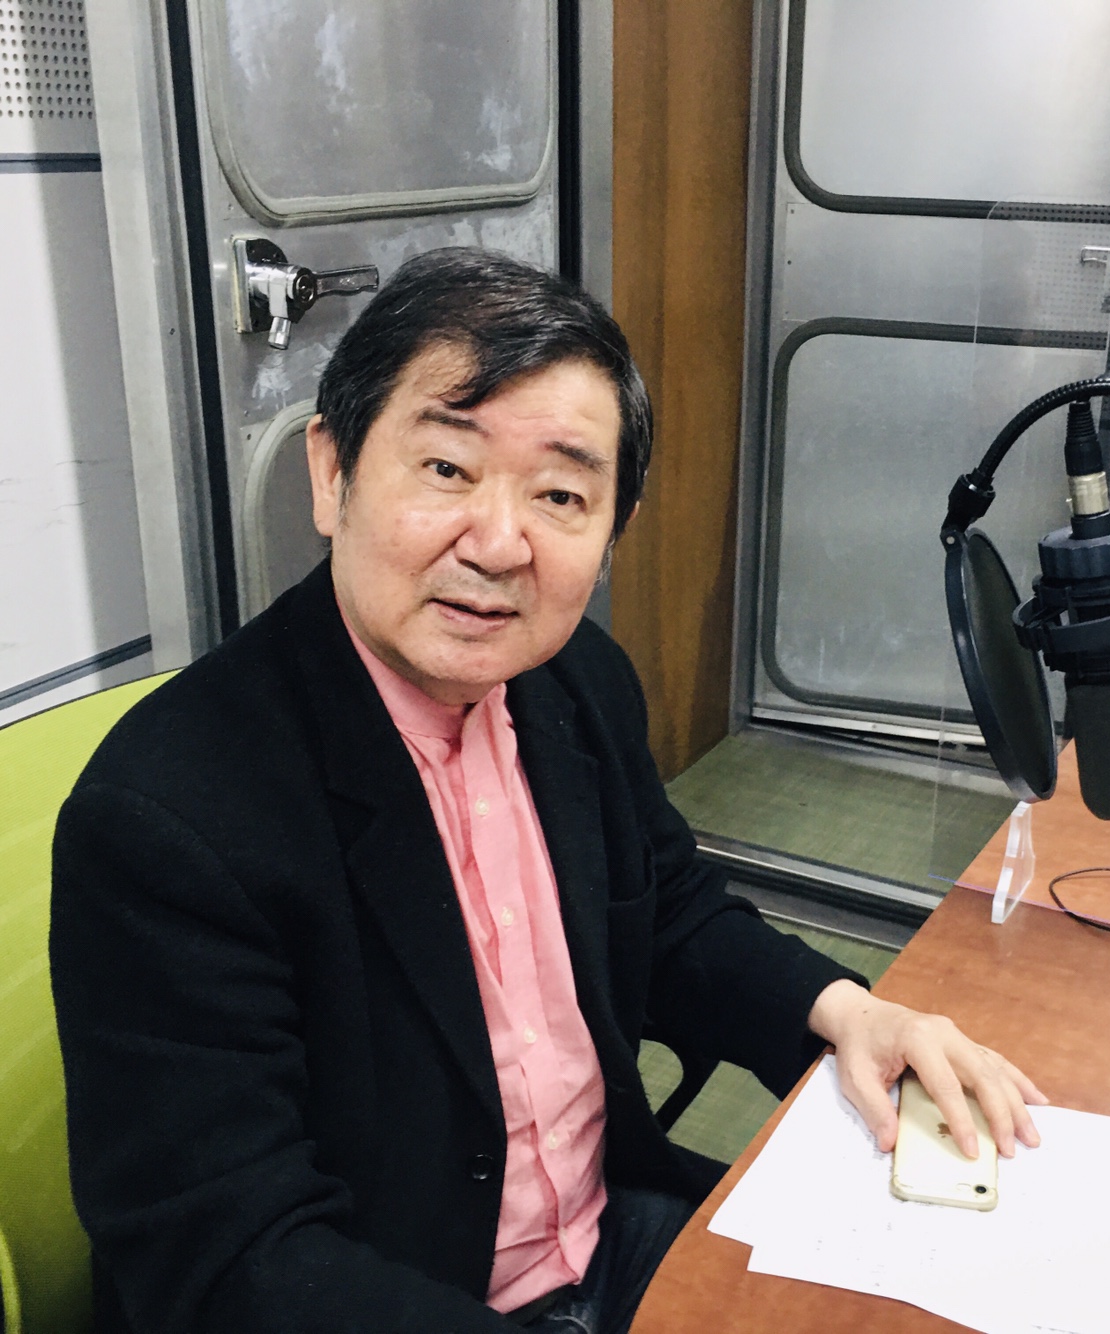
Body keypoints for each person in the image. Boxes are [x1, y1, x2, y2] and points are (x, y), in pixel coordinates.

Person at [50, 248, 1045, 1334]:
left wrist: (851, 1012)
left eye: (561, 494)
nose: (498, 542)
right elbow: (234, 1260)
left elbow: (666, 910)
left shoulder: (574, 682)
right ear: (331, 475)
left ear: (613, 529)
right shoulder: (169, 817)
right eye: (446, 468)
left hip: (606, 1227)